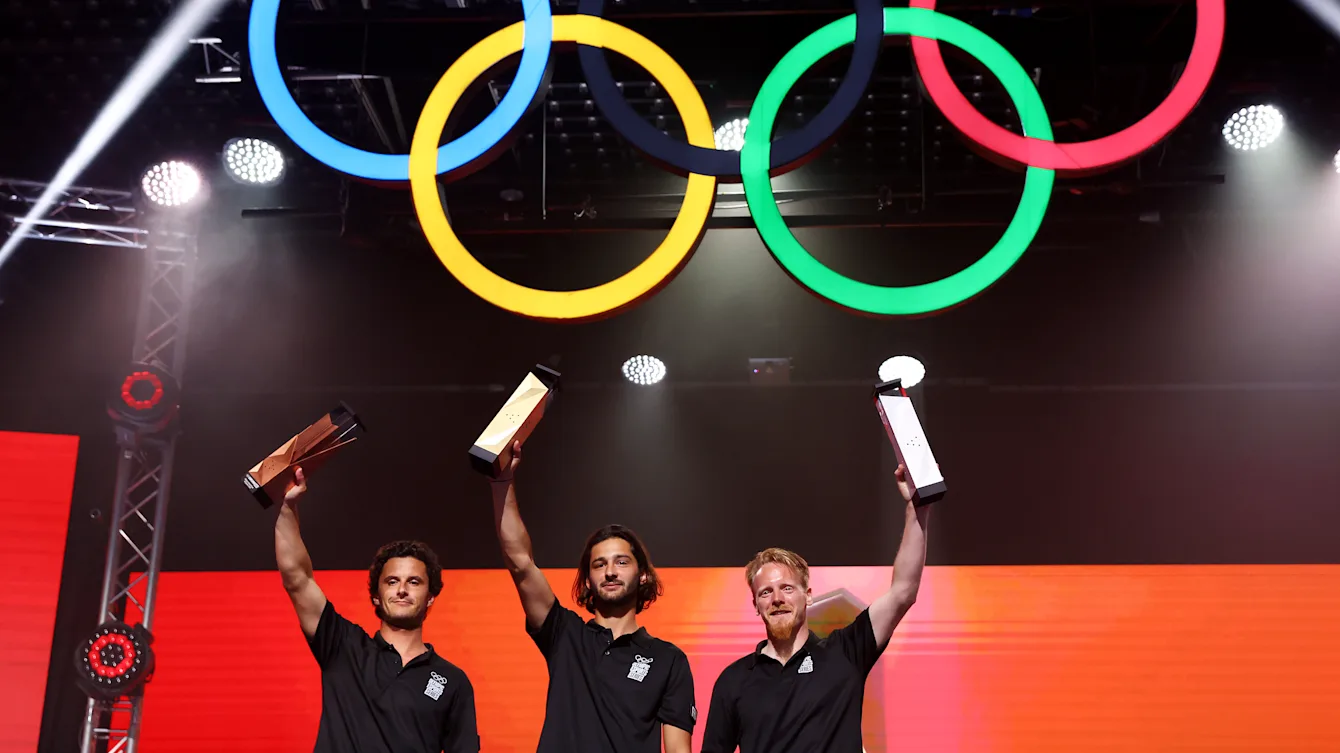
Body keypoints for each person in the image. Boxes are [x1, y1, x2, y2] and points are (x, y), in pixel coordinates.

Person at [700, 463, 931, 753]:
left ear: (807, 596)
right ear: (756, 606)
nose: (777, 599)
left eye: (787, 588)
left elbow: (903, 591)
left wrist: (916, 508)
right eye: (766, 593)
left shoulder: (845, 653)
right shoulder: (733, 681)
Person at [488, 440, 696, 753]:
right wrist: (501, 481)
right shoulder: (565, 634)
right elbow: (520, 562)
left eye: (621, 562)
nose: (610, 571)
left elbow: (679, 750)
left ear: (642, 575)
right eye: (600, 564)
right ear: (588, 579)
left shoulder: (669, 660)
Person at [276, 466, 480, 753]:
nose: (402, 589)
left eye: (414, 581)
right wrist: (289, 507)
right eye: (392, 581)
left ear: (431, 597)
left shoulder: (452, 681)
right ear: (375, 595)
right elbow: (297, 578)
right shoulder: (343, 647)